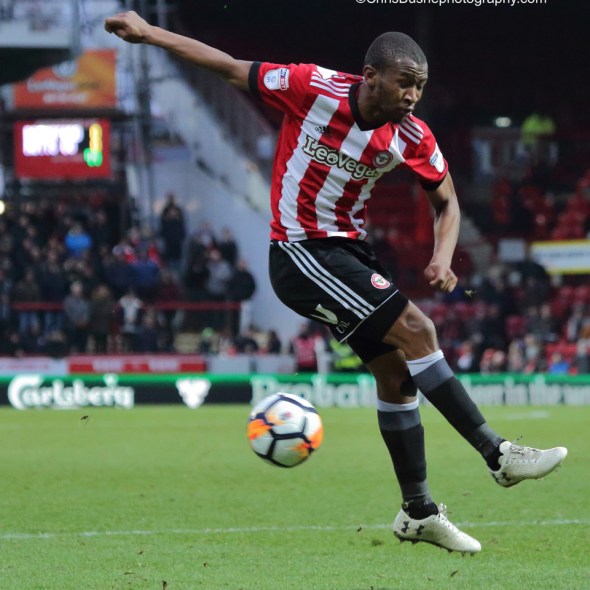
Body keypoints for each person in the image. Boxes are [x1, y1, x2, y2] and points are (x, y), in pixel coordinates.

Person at [105, 12, 568, 554]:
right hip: (299, 252)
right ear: (371, 76)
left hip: (348, 252)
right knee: (418, 330)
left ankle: (418, 511)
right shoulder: (311, 87)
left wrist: (443, 256)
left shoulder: (412, 136)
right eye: (405, 82)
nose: (413, 95)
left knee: (396, 375)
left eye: (420, 86)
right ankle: (498, 454)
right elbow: (229, 67)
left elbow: (447, 202)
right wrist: (149, 32)